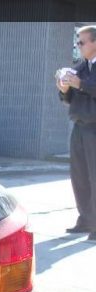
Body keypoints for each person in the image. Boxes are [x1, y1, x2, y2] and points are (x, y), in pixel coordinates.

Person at [58, 25, 96, 240]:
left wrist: (80, 84)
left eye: (81, 42)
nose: (78, 45)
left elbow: (88, 87)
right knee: (79, 177)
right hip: (80, 127)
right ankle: (86, 220)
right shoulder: (81, 67)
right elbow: (70, 98)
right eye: (77, 42)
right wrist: (64, 90)